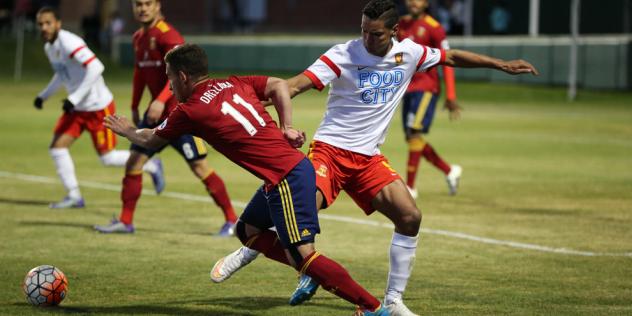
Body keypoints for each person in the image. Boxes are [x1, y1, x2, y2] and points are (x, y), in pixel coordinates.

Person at [209, 0, 538, 315]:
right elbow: (293, 85)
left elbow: (450, 57)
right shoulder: (343, 54)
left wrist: (502, 65)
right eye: (364, 30)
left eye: (376, 33)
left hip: (368, 159)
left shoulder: (410, 52)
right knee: (296, 214)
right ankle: (249, 248)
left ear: (395, 31)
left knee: (410, 217)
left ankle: (393, 300)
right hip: (329, 153)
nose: (367, 38)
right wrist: (259, 107)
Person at [104, 43, 390, 316]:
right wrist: (285, 127)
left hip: (286, 178)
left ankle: (371, 306)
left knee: (304, 255)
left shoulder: (190, 110)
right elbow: (279, 85)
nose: (169, 87)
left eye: (170, 79)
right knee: (247, 230)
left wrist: (129, 131)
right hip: (287, 173)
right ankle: (309, 271)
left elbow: (152, 139)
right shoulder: (233, 83)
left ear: (182, 76)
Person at [94, 0, 237, 236]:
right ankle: (126, 221)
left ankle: (232, 220)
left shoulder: (168, 36)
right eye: (138, 4)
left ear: (157, 6)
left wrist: (161, 99)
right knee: (133, 163)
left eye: (147, 3)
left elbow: (182, 75)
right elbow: (140, 73)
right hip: (153, 116)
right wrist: (134, 103)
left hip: (181, 115)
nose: (142, 8)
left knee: (200, 168)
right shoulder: (138, 37)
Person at [34, 6, 163, 209]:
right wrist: (43, 96)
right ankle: (74, 196)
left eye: (48, 23)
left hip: (97, 106)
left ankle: (150, 164)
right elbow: (62, 73)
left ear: (58, 23)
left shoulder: (69, 42)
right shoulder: (50, 48)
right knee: (57, 148)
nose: (44, 27)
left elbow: (96, 67)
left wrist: (74, 98)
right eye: (40, 24)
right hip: (77, 108)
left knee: (108, 158)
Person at [397, 0, 462, 199]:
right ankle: (449, 170)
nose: (413, 2)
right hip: (407, 89)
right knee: (412, 137)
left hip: (426, 88)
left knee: (414, 133)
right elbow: (397, 55)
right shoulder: (401, 24)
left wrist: (451, 95)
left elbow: (448, 61)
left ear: (426, 3)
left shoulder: (435, 28)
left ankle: (410, 187)